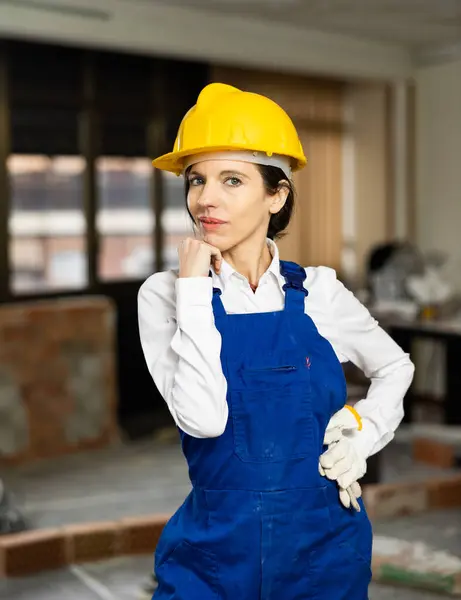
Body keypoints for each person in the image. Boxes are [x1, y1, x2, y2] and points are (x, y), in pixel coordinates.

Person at [137, 83, 415, 599]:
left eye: (232, 180)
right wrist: (194, 288)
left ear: (277, 195)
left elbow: (396, 368)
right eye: (196, 180)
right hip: (213, 554)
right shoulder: (165, 296)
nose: (205, 198)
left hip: (323, 548)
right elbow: (203, 419)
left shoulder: (320, 292)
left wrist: (362, 434)